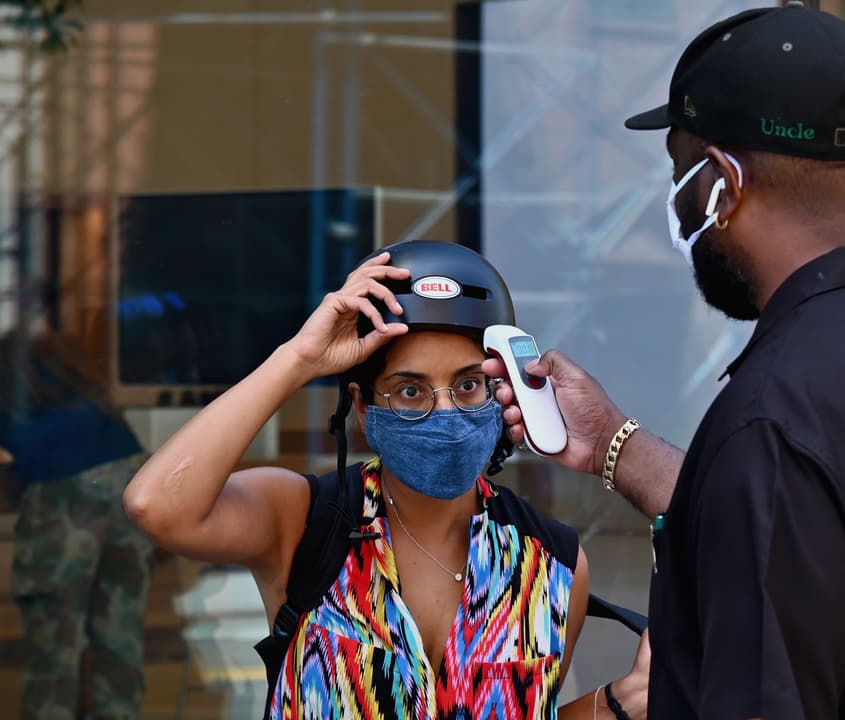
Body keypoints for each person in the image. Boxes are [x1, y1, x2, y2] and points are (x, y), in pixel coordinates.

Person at [484, 5, 845, 719]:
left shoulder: (778, 410)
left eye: (679, 172)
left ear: (721, 181)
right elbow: (838, 519)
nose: (674, 206)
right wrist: (616, 442)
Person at [123, 240, 648, 719]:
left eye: (468, 385)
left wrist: (622, 702)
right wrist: (300, 359)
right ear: (361, 405)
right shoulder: (305, 521)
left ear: (502, 391)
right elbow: (157, 506)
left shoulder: (552, 561)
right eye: (411, 391)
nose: (446, 412)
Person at [0, 328, 153, 720]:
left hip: (66, 493)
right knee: (119, 637)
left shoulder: (9, 375)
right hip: (130, 480)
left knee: (55, 646)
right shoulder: (68, 371)